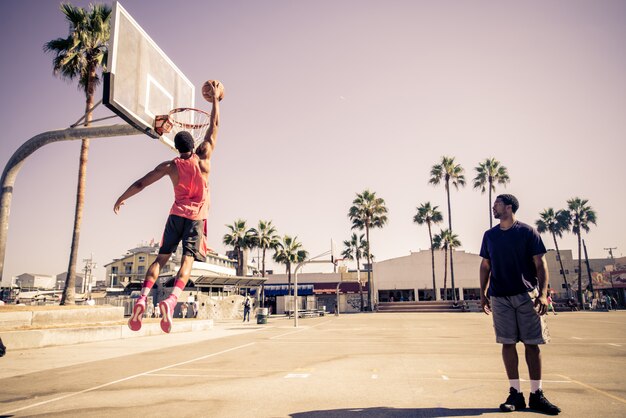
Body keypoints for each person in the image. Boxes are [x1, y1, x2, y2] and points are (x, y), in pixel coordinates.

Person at [114, 81, 221, 334]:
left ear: (176, 147)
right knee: (187, 260)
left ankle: (142, 298)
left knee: (161, 259)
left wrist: (122, 197)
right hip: (195, 219)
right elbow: (214, 127)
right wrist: (215, 99)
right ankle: (171, 300)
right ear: (193, 145)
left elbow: (142, 183)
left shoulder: (169, 166)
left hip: (175, 215)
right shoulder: (203, 158)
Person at [479, 194, 561, 415]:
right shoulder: (490, 236)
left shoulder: (527, 232)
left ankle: (537, 394)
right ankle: (515, 393)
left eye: (496, 204)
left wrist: (543, 294)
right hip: (500, 297)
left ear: (508, 207)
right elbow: (486, 265)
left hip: (527, 296)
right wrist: (483, 293)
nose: (493, 207)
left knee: (532, 344)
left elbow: (540, 263)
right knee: (507, 343)